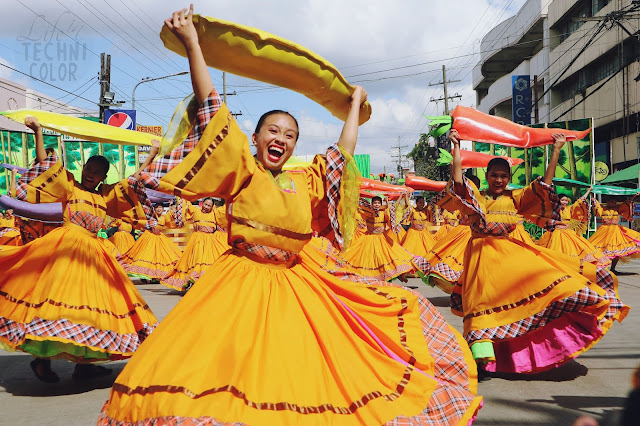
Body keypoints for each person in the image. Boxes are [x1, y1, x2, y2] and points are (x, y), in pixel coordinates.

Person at [98, 6, 482, 425]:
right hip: (239, 281)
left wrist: (353, 104)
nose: (280, 138)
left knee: (303, 372)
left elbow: (343, 152)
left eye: (290, 134)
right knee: (225, 374)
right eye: (273, 131)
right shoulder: (243, 170)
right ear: (256, 137)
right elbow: (211, 108)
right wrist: (193, 43)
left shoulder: (307, 179)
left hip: (298, 282)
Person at [442, 128, 626, 374]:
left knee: (545, 288)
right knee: (481, 302)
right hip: (480, 256)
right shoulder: (478, 198)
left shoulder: (515, 198)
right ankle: (482, 352)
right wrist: (456, 146)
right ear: (486, 176)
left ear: (508, 178)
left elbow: (544, 185)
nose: (499, 180)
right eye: (494, 175)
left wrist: (556, 151)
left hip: (509, 254)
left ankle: (507, 352)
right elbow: (457, 182)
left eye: (503, 176)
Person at [0, 117, 158, 383]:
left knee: (95, 308)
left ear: (103, 177)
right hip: (66, 249)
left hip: (95, 254)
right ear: (82, 167)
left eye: (97, 172)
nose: (90, 174)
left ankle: (85, 364)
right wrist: (39, 131)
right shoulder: (69, 186)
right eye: (88, 168)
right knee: (54, 306)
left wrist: (152, 153)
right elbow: (45, 164)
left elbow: (133, 183)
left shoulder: (105, 195)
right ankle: (41, 360)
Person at [341, 195, 417, 281]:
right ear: (371, 204)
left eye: (378, 203)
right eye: (375, 203)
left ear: (381, 204)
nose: (376, 204)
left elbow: (391, 220)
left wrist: (388, 204)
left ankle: (392, 275)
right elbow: (358, 208)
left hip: (381, 238)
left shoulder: (384, 213)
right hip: (368, 238)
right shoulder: (368, 213)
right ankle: (368, 276)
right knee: (368, 258)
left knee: (385, 257)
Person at [161, 197, 229, 291]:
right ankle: (193, 282)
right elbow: (185, 203)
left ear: (212, 207)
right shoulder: (196, 211)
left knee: (209, 262)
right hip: (196, 241)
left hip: (210, 241)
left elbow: (226, 209)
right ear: (202, 203)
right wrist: (180, 193)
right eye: (205, 204)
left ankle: (205, 284)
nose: (206, 207)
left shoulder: (215, 213)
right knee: (195, 261)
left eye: (209, 205)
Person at [537, 187, 610, 267]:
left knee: (576, 249)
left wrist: (588, 191)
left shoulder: (569, 209)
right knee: (555, 252)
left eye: (565, 200)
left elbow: (580, 201)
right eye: (562, 200)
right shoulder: (554, 210)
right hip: (556, 234)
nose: (564, 202)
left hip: (567, 233)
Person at [117, 202, 182, 281]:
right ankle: (145, 275)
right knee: (147, 256)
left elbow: (172, 218)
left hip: (160, 238)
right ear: (154, 209)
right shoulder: (151, 217)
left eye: (160, 207)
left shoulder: (165, 217)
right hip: (149, 237)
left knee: (161, 257)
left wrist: (172, 205)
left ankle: (157, 276)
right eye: (157, 207)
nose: (158, 209)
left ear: (163, 209)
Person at [589, 194, 640, 272]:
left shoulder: (617, 209)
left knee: (616, 251)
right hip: (604, 231)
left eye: (615, 202)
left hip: (616, 232)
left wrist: (634, 196)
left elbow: (627, 203)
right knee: (603, 250)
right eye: (612, 202)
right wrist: (592, 194)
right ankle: (603, 268)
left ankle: (613, 269)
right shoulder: (603, 209)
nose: (613, 203)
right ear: (608, 202)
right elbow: (596, 205)